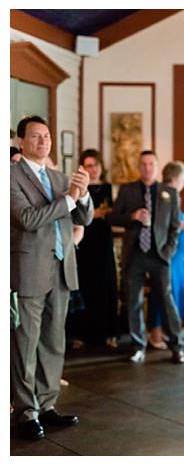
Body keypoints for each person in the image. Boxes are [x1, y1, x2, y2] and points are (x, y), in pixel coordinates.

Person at [10, 115, 94, 441]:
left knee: (53, 342)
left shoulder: (60, 178)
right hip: (30, 270)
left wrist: (83, 195)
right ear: (21, 142)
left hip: (61, 269)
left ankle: (47, 405)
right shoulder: (11, 177)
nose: (43, 142)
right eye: (35, 137)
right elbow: (29, 219)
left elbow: (83, 216)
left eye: (46, 136)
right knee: (26, 344)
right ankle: (26, 411)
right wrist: (70, 198)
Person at [107, 150, 184, 364]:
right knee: (133, 301)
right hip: (134, 254)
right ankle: (137, 346)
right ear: (138, 167)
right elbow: (112, 217)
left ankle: (177, 346)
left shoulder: (169, 192)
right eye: (143, 164)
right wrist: (132, 216)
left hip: (160, 255)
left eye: (151, 164)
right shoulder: (127, 190)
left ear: (157, 167)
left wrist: (168, 251)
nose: (147, 168)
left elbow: (175, 227)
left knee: (167, 300)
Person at [71, 149, 120, 349]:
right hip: (84, 240)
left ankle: (109, 333)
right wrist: (95, 214)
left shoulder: (110, 188)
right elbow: (74, 213)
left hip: (103, 241)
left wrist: (103, 214)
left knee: (106, 285)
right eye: (89, 165)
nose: (93, 169)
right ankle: (82, 334)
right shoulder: (77, 187)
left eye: (96, 165)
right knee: (84, 284)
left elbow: (115, 214)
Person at [147, 161, 184, 349]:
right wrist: (182, 226)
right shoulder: (162, 195)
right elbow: (160, 226)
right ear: (175, 178)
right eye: (183, 179)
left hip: (177, 255)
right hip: (167, 254)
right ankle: (155, 333)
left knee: (172, 293)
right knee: (162, 293)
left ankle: (167, 331)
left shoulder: (175, 196)